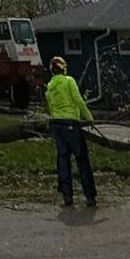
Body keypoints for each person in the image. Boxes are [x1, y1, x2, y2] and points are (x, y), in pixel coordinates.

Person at [44, 56, 96, 208]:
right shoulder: (69, 81)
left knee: (63, 159)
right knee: (82, 160)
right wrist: (89, 118)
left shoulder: (50, 85)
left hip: (57, 125)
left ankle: (67, 195)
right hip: (71, 123)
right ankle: (89, 195)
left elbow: (51, 106)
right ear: (64, 68)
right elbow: (78, 100)